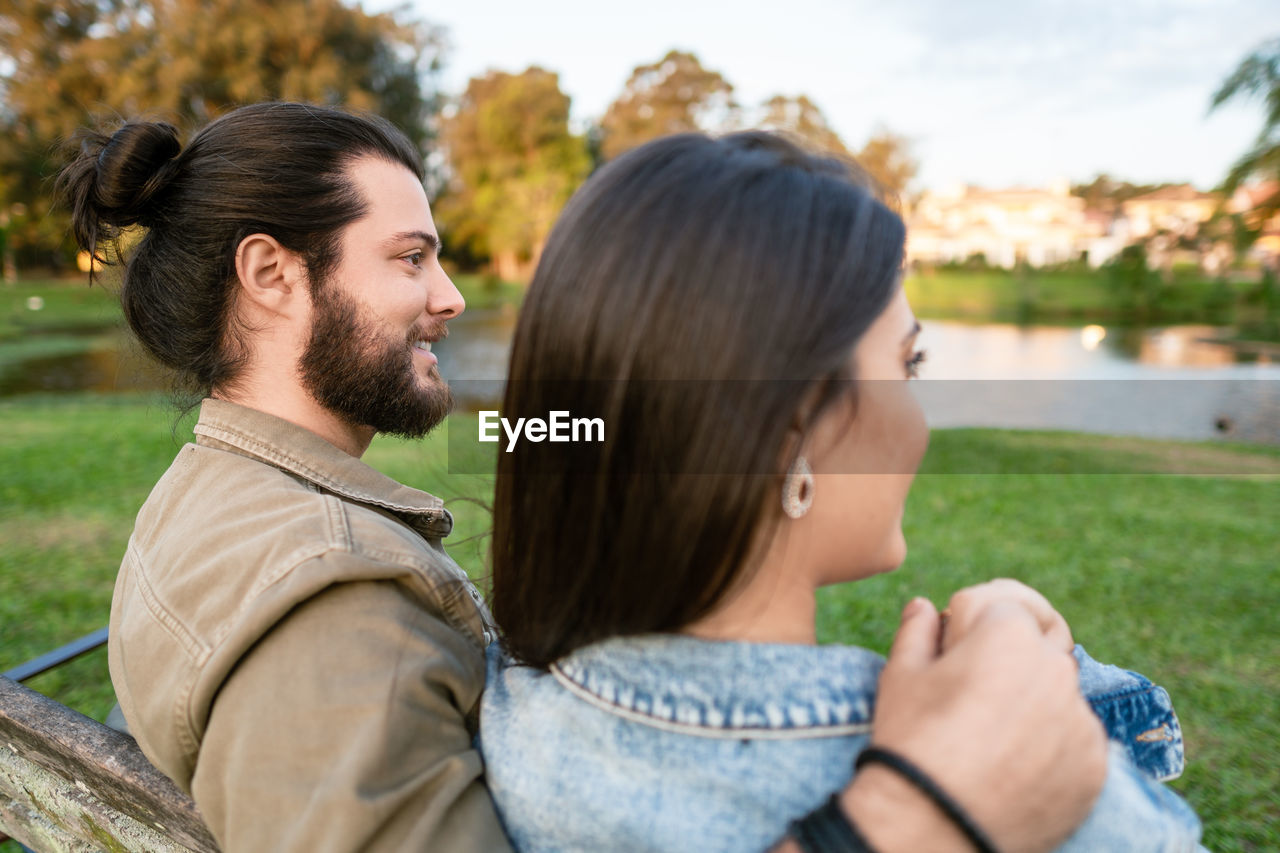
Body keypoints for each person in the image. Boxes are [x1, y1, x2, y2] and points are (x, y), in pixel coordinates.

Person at [59, 102, 1109, 853]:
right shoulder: (331, 617)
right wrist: (906, 821)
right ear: (273, 276)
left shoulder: (213, 489)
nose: (453, 296)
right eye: (410, 258)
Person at [480, 132, 1205, 851]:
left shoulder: (506, 712)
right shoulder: (972, 776)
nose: (919, 415)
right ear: (791, 430)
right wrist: (1057, 701)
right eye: (909, 362)